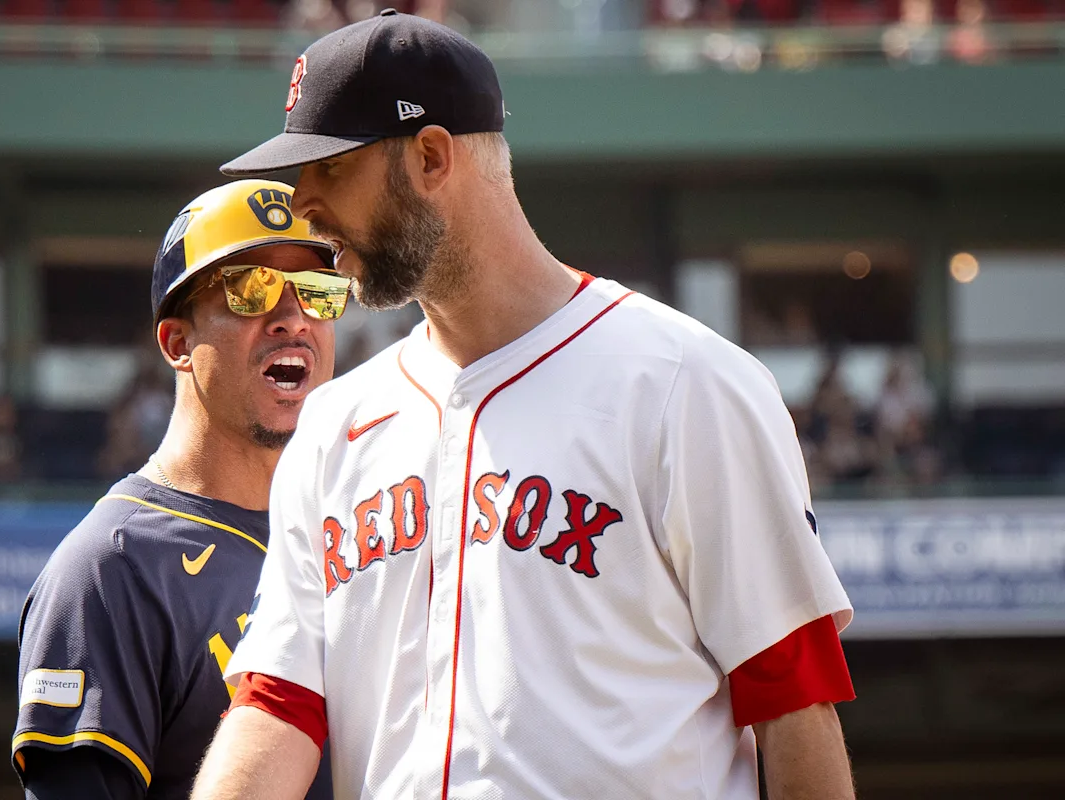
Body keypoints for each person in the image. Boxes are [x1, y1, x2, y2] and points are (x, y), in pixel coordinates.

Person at [194, 11, 856, 800]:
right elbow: (277, 706)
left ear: (431, 157)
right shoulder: (333, 427)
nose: (301, 199)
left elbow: (794, 705)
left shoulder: (687, 384)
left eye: (330, 168)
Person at [12, 180, 349, 800]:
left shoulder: (359, 529)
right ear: (178, 343)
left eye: (317, 291)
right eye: (251, 290)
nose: (293, 318)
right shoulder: (109, 568)